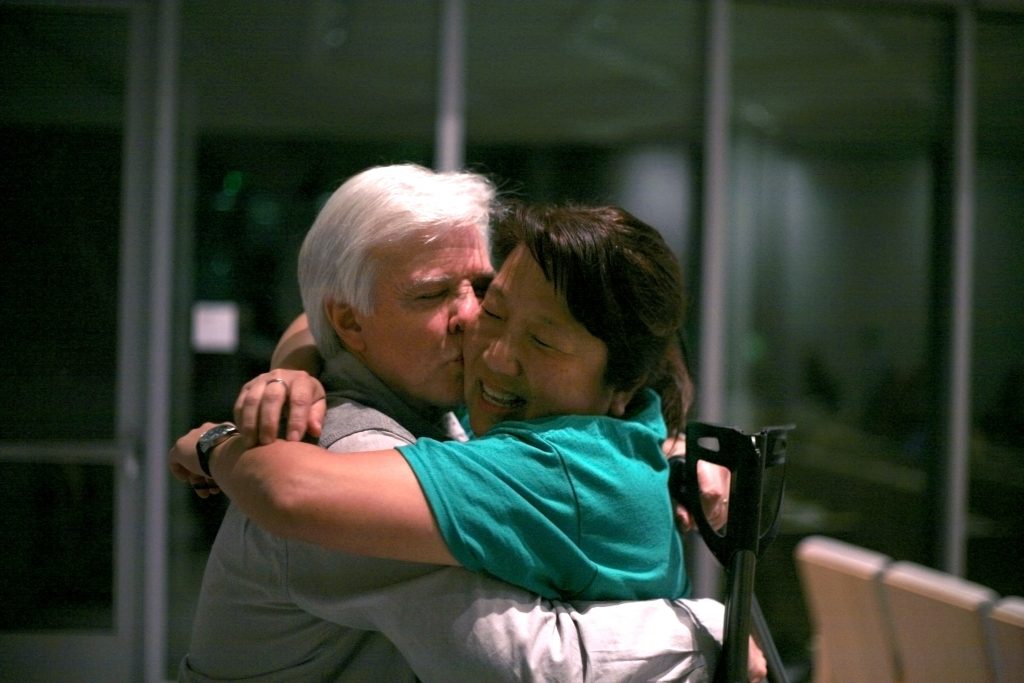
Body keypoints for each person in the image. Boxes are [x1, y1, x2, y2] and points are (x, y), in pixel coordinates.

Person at [172, 185, 766, 679]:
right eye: (433, 294)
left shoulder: (477, 428)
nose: (474, 324)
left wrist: (217, 441)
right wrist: (707, 629)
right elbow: (530, 665)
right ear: (349, 320)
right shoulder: (359, 446)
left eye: (480, 290)